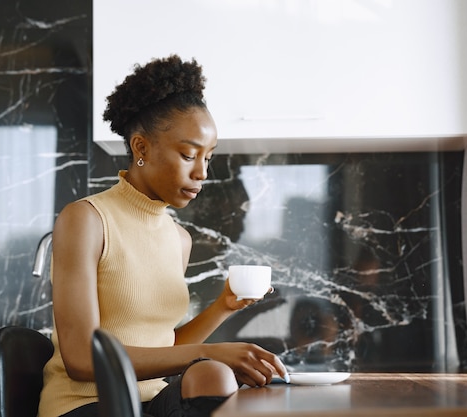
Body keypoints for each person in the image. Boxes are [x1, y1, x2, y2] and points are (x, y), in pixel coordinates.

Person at [38, 55, 289, 417]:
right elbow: (81, 360)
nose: (202, 173)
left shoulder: (179, 239)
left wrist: (222, 308)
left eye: (208, 158)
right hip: (86, 405)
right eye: (188, 154)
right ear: (141, 148)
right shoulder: (87, 219)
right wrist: (211, 353)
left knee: (211, 375)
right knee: (211, 366)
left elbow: (164, 348)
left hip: (150, 403)